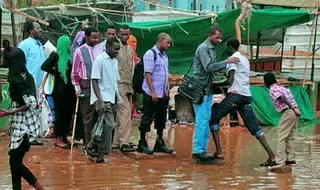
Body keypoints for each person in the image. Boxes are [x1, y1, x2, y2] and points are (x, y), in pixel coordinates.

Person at [209, 38, 276, 166]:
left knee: (213, 117)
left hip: (235, 95)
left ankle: (219, 152)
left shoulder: (233, 59)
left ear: (229, 47)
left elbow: (231, 80)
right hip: (246, 96)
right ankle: (272, 156)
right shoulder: (245, 59)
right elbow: (238, 77)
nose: (226, 49)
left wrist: (219, 82)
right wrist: (224, 74)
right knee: (254, 128)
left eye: (226, 47)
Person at [192, 27, 240, 164]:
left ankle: (202, 150)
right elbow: (207, 67)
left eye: (220, 38)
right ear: (210, 36)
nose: (219, 40)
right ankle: (198, 151)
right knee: (201, 120)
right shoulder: (203, 48)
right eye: (217, 38)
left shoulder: (211, 49)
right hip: (199, 88)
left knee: (206, 119)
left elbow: (209, 68)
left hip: (207, 89)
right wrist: (226, 62)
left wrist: (218, 72)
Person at [0, 48, 44, 190]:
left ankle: (39, 187)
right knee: (14, 159)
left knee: (15, 162)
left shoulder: (18, 80)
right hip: (25, 124)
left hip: (24, 126)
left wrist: (10, 111)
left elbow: (31, 102)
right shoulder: (26, 76)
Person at [137, 33, 174, 155]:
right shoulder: (150, 54)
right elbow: (148, 74)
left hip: (162, 93)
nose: (169, 45)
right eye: (167, 42)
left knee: (161, 118)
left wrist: (167, 89)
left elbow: (165, 73)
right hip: (151, 93)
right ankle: (142, 142)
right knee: (147, 117)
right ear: (161, 41)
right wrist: (153, 92)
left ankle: (159, 142)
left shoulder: (164, 56)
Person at [87, 37, 121, 163]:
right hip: (102, 98)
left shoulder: (115, 61)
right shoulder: (99, 60)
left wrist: (117, 100)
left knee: (105, 127)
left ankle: (99, 156)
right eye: (115, 49)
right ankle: (92, 144)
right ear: (107, 47)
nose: (117, 52)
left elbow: (114, 81)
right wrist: (100, 100)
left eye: (119, 49)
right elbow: (94, 80)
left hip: (112, 98)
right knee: (109, 125)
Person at [41, 36, 76, 149]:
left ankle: (64, 137)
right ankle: (58, 139)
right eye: (68, 44)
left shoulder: (70, 58)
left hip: (69, 90)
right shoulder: (55, 55)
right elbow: (44, 66)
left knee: (67, 115)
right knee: (60, 115)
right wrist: (56, 72)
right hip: (59, 91)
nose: (70, 46)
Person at [71, 27, 103, 148]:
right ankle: (88, 144)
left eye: (98, 37)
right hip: (86, 86)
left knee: (99, 115)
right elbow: (74, 73)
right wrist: (77, 89)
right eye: (93, 37)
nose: (96, 40)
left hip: (99, 86)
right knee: (88, 117)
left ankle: (97, 143)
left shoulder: (100, 49)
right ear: (87, 37)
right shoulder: (79, 51)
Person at [264, 72, 301, 169]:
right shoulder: (283, 88)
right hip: (294, 112)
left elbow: (281, 97)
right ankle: (291, 160)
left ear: (266, 82)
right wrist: (295, 109)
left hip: (288, 111)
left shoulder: (273, 89)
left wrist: (292, 108)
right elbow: (288, 97)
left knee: (281, 136)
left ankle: (279, 161)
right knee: (289, 137)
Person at [18, 21, 46, 146]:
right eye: (38, 28)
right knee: (28, 108)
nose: (41, 30)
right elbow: (19, 63)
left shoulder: (40, 45)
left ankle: (33, 135)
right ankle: (27, 136)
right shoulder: (24, 44)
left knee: (36, 109)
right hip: (28, 82)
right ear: (30, 31)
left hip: (39, 84)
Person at [112, 25, 135, 152]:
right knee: (124, 113)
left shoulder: (130, 49)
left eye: (127, 35)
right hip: (118, 84)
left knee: (121, 115)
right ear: (118, 34)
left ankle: (116, 142)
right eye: (122, 34)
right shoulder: (115, 48)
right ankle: (124, 143)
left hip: (128, 85)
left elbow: (131, 68)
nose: (125, 37)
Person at [127, 34, 139, 118]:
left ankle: (134, 111)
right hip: (127, 78)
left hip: (134, 78)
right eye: (132, 42)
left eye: (135, 42)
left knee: (134, 95)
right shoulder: (125, 52)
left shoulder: (135, 54)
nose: (134, 44)